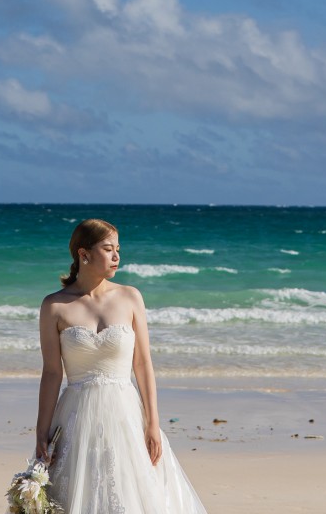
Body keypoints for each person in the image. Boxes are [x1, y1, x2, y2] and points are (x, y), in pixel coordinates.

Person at [34, 218, 209, 514]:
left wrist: (153, 424)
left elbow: (142, 364)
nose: (117, 256)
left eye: (118, 249)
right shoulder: (54, 306)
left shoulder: (130, 297)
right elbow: (52, 372)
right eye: (108, 249)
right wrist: (41, 431)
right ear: (83, 253)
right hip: (76, 415)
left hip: (126, 412)